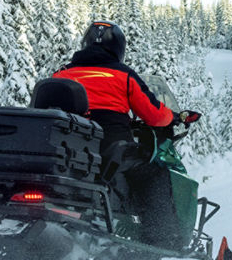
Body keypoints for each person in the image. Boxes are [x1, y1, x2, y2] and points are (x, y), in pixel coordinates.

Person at [52, 21, 199, 245]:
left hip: (67, 153)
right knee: (154, 175)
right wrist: (173, 118)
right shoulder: (123, 75)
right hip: (110, 149)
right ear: (118, 48)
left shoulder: (61, 74)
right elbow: (154, 115)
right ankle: (160, 236)